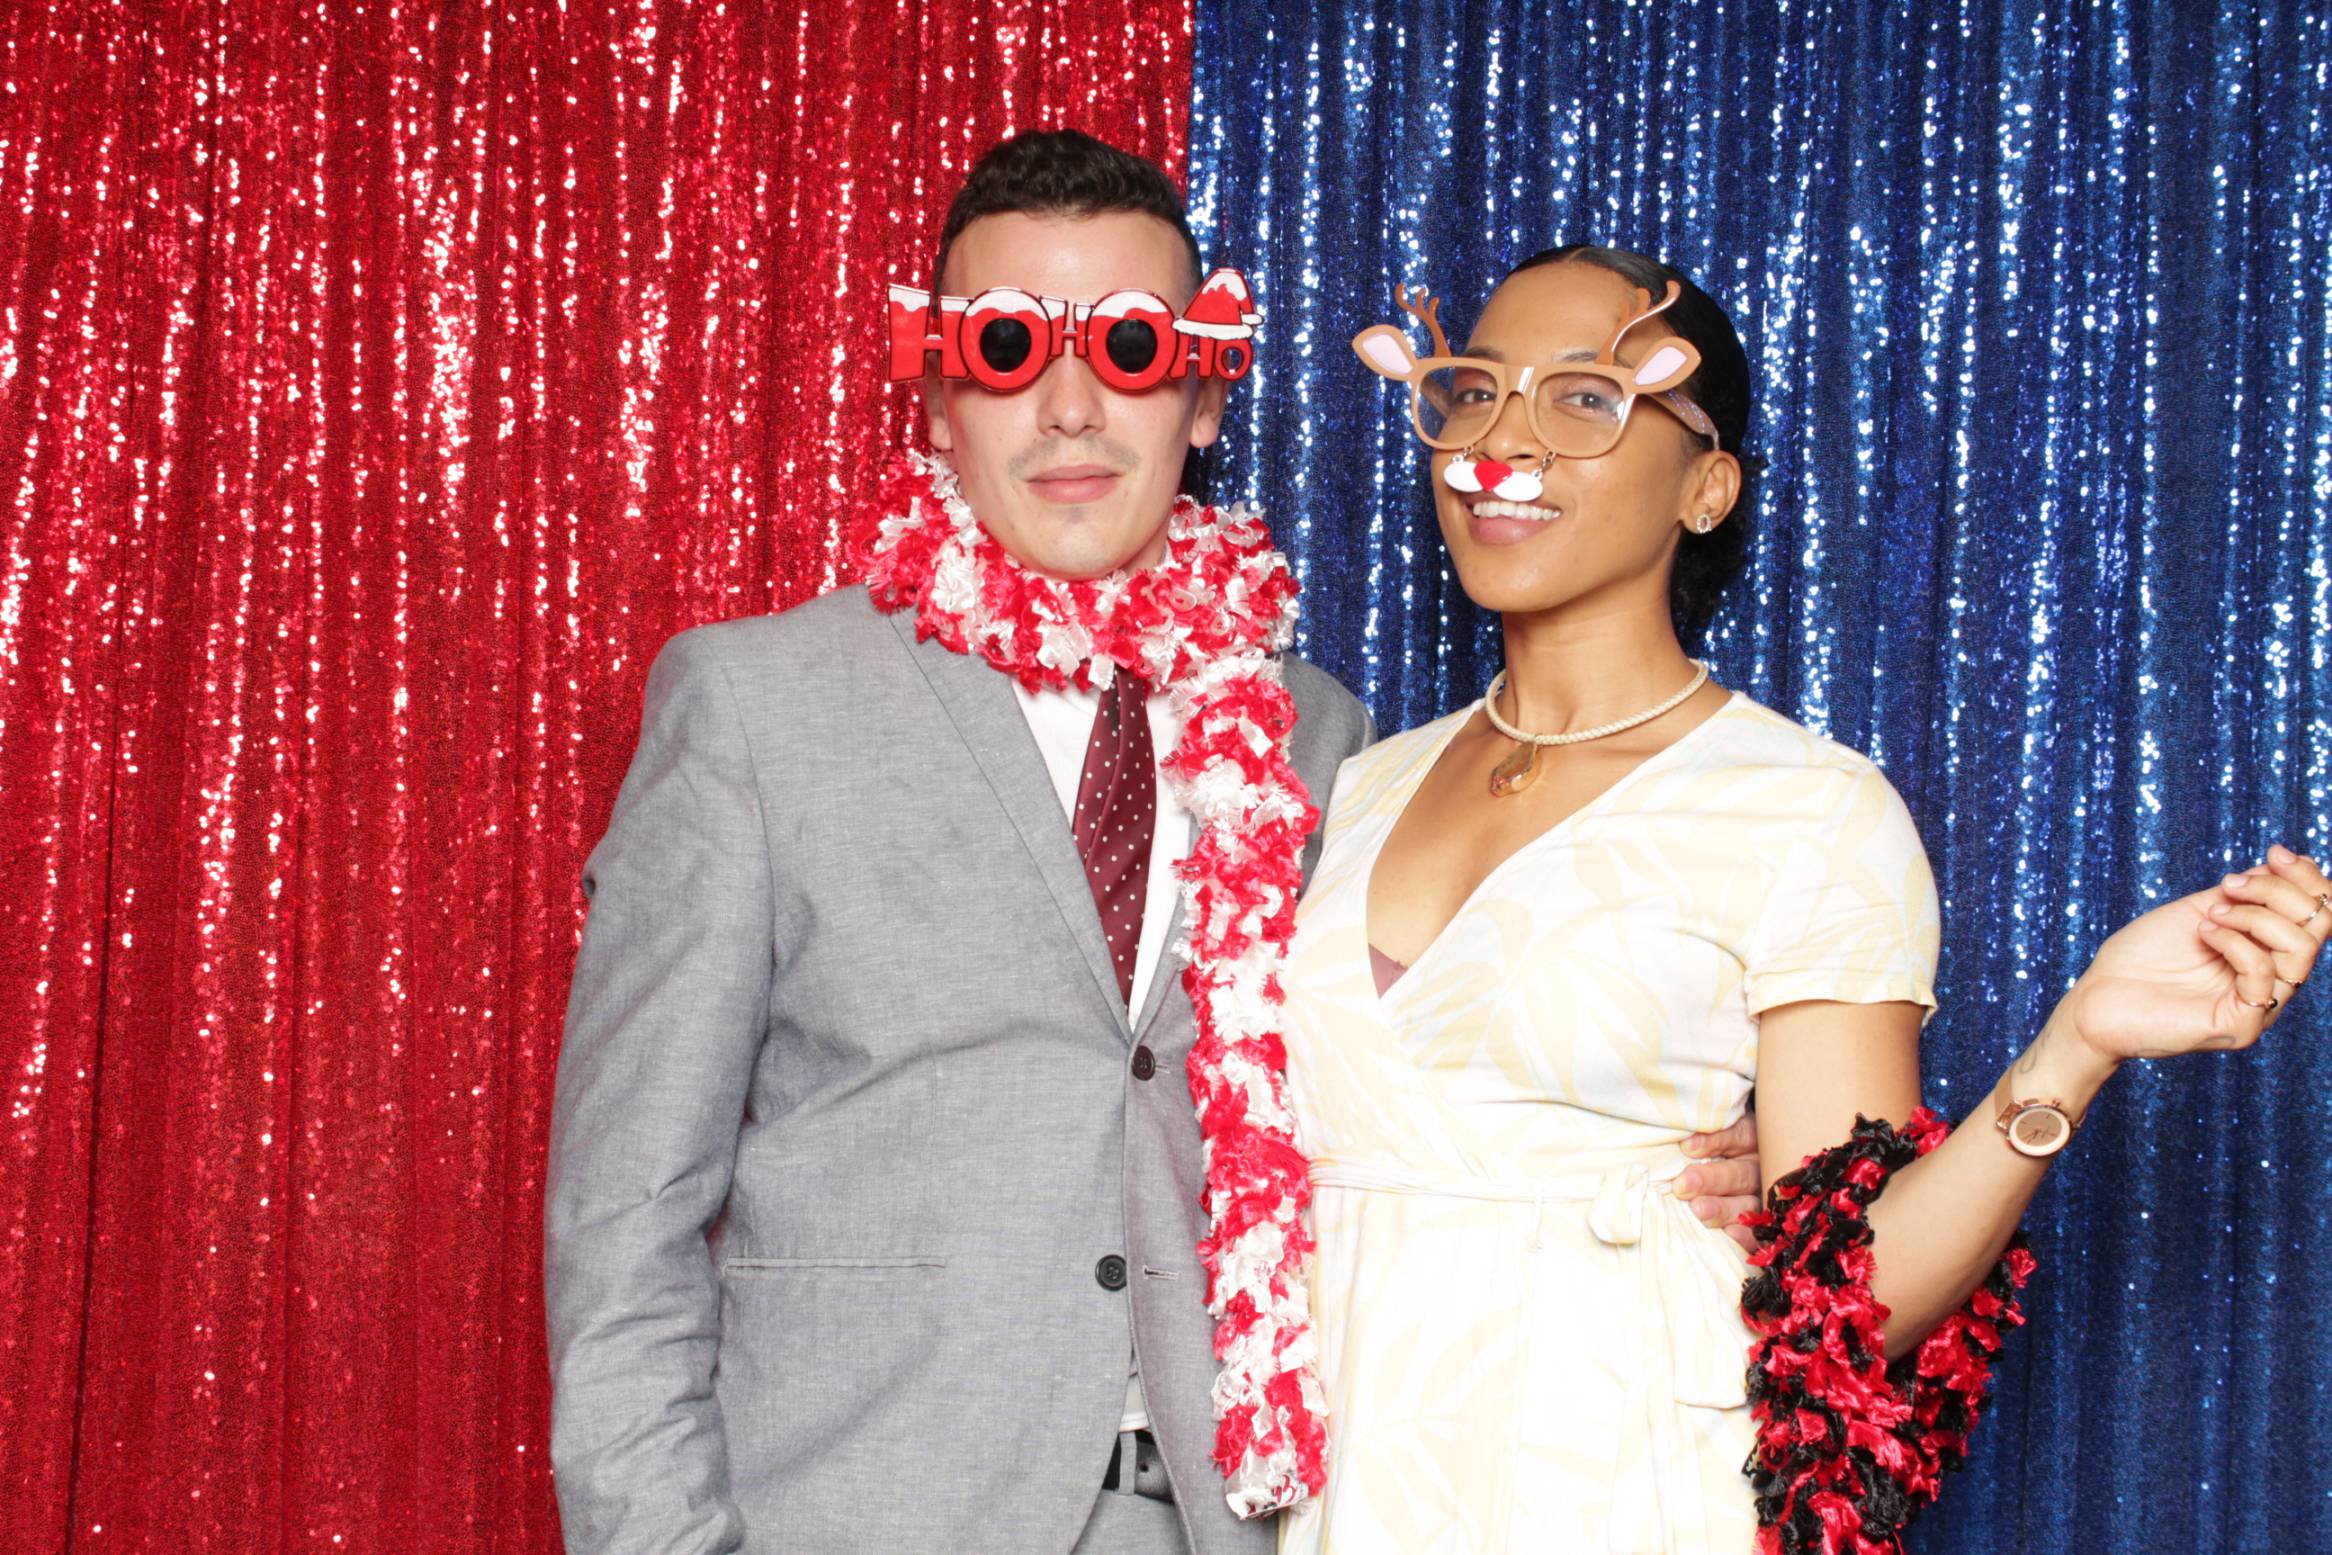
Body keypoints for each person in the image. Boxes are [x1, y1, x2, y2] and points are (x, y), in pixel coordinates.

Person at [540, 140, 1768, 1555]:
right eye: (1007, 349)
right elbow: (625, 1217)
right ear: (935, 398)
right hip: (862, 1511)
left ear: (1203, 394)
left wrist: (1681, 1162)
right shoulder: (757, 707)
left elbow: (1416, 1083)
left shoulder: (1324, 739)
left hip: (1229, 1522)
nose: (1070, 407)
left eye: (1128, 350)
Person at [1273, 243, 2332, 1554]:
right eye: (1477, 390)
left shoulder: (1804, 809)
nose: (1505, 442)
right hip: (1336, 1492)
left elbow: (1854, 1295)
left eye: (1587, 398)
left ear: (1706, 486)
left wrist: (2076, 1046)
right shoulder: (1352, 779)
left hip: (1621, 1488)